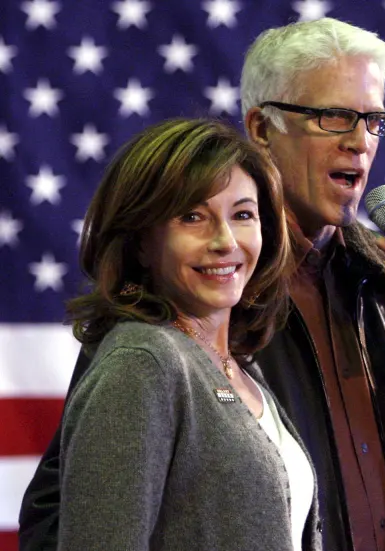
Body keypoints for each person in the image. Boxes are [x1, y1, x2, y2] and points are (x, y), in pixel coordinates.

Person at [19, 18, 385, 551]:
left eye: (373, 121)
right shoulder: (199, 293)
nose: (359, 142)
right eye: (335, 117)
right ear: (261, 128)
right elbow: (67, 515)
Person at [49, 118, 320, 551]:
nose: (225, 241)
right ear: (140, 241)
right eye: (192, 216)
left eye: (243, 214)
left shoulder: (238, 367)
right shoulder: (143, 364)